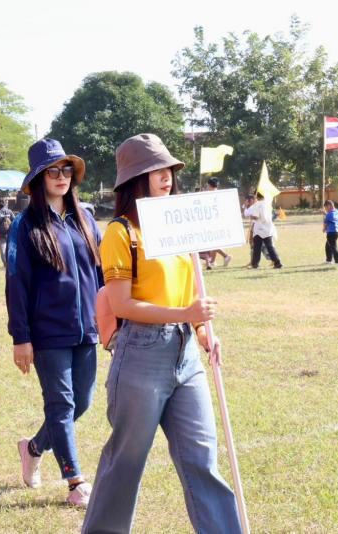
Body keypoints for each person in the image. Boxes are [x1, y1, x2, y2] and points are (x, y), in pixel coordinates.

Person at [82, 133, 241, 533]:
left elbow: (191, 290)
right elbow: (121, 305)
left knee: (202, 458)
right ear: (135, 178)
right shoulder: (121, 232)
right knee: (126, 461)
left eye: (169, 169)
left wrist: (202, 330)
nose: (166, 176)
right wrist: (185, 313)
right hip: (140, 352)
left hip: (186, 355)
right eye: (155, 170)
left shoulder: (180, 225)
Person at [6, 138, 102, 508]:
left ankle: (33, 448)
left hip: (87, 329)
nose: (61, 177)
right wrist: (21, 337)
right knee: (61, 404)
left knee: (82, 403)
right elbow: (16, 282)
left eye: (65, 170)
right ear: (38, 179)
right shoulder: (25, 225)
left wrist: (109, 319)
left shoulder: (86, 218)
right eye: (52, 172)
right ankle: (75, 481)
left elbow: (102, 273)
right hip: (47, 333)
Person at [244, 191, 282, 269]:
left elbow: (256, 217)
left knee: (257, 248)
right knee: (270, 247)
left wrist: (251, 216)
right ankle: (277, 263)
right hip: (268, 228)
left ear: (257, 196)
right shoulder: (267, 204)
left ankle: (255, 264)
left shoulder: (257, 205)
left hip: (259, 230)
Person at [201, 178, 232, 269]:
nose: (207, 187)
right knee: (214, 241)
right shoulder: (218, 194)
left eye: (207, 185)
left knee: (213, 242)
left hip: (213, 221)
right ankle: (212, 261)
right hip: (218, 221)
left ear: (210, 185)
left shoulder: (211, 195)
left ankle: (226, 256)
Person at [0, 199, 15, 268]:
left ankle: (6, 264)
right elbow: (14, 221)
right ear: (5, 204)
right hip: (9, 233)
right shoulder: (9, 211)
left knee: (2, 249)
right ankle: (11, 263)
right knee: (10, 248)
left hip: (0, 234)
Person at [322, 200, 338, 265]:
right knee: (328, 246)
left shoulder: (329, 215)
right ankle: (329, 260)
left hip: (331, 232)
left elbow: (326, 223)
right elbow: (333, 218)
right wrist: (326, 214)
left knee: (333, 247)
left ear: (329, 206)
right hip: (337, 231)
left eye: (326, 208)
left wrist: (324, 229)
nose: (326, 209)